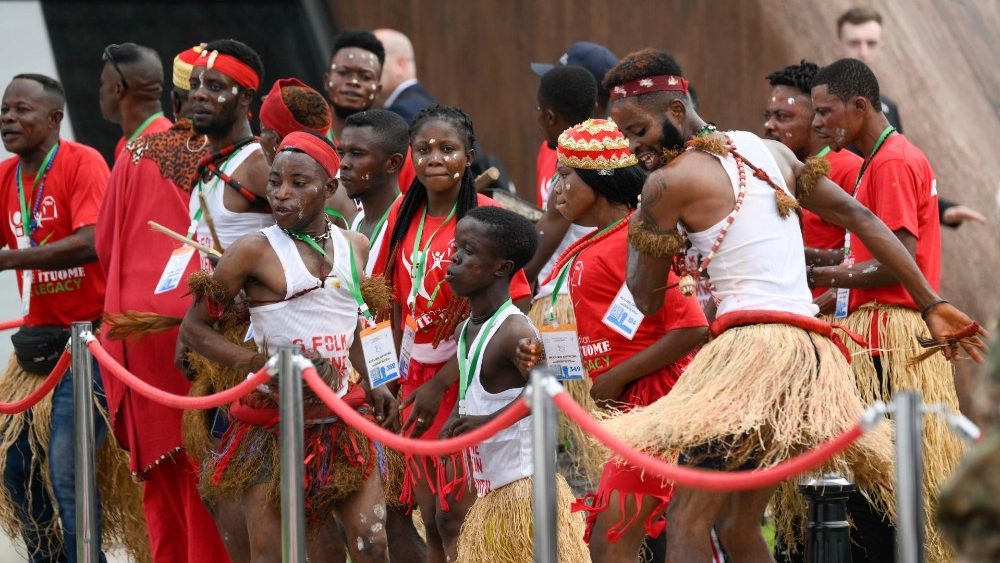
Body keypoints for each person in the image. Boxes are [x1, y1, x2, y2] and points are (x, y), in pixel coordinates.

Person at [599, 47, 985, 560]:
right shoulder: (770, 153)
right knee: (738, 523)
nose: (632, 148)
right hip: (809, 360)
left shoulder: (666, 185)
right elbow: (863, 221)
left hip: (750, 359)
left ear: (675, 112)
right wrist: (931, 301)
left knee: (688, 517)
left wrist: (644, 227)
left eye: (638, 132)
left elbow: (646, 301)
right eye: (624, 136)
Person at [179, 131, 391, 563]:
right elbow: (195, 329)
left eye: (298, 183)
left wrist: (377, 382)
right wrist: (259, 362)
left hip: (344, 415)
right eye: (275, 182)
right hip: (271, 422)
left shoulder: (355, 246)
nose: (281, 194)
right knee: (271, 555)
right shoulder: (251, 251)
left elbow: (355, 326)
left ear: (330, 188)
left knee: (373, 545)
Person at [527, 118, 710, 561]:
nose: (557, 189)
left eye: (569, 176)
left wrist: (615, 378)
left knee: (611, 543)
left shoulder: (636, 238)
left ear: (599, 179)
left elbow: (692, 327)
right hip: (631, 408)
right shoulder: (595, 243)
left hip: (659, 407)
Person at [810, 57, 967, 562]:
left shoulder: (893, 161)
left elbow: (896, 257)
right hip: (880, 335)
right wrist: (824, 267)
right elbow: (869, 254)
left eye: (825, 111)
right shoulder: (878, 160)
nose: (818, 124)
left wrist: (828, 276)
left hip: (886, 342)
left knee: (885, 490)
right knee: (881, 487)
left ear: (859, 106)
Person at [368, 105, 532, 563]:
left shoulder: (486, 218)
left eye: (448, 149)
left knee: (456, 515)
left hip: (466, 383)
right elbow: (380, 300)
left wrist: (443, 383)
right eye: (423, 149)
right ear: (409, 157)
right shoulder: (403, 213)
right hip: (411, 384)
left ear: (469, 155)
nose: (434, 158)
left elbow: (510, 309)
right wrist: (384, 377)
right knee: (430, 514)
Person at [96, 46, 234, 562]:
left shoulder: (161, 146)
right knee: (188, 479)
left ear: (117, 89)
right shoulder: (169, 146)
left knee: (181, 483)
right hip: (170, 330)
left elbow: (109, 248)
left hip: (156, 335)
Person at [0, 73, 118, 562]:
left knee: (67, 470)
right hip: (40, 344)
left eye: (21, 109)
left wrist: (11, 259)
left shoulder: (82, 162)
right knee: (16, 466)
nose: (8, 118)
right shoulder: (6, 176)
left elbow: (93, 241)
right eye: (5, 109)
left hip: (90, 341)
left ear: (54, 118)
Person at [438, 205, 590, 562]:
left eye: (469, 252)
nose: (455, 259)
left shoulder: (515, 332)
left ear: (502, 268)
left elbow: (547, 392)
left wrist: (484, 424)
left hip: (525, 494)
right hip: (492, 492)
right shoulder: (466, 330)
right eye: (456, 249)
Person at [835, 6, 985, 228]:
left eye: (871, 43)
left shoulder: (887, 109)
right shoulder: (817, 103)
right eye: (855, 43)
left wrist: (942, 210)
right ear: (839, 44)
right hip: (829, 226)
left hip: (873, 231)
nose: (863, 52)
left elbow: (898, 174)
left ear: (881, 46)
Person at [762, 60, 862, 313]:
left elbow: (867, 259)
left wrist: (812, 312)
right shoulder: (769, 172)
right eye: (768, 116)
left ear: (817, 118)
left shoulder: (851, 170)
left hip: (829, 326)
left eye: (782, 116)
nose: (769, 126)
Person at [187, 38, 272, 270]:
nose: (198, 95)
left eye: (214, 87)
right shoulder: (209, 167)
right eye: (194, 85)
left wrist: (251, 276)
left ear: (245, 97)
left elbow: (316, 232)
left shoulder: (257, 163)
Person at [258, 77, 357, 227]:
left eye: (263, 130)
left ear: (278, 141)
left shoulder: (317, 197)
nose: (259, 139)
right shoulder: (325, 178)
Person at [339, 109, 407, 273]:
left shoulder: (407, 225)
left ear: (392, 163)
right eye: (342, 153)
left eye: (356, 154)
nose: (343, 163)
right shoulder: (354, 220)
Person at [99, 42, 173, 156]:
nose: (101, 91)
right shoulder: (125, 145)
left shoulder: (163, 147)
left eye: (103, 84)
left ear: (118, 89)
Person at [374, 28, 436, 125]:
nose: (367, 68)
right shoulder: (424, 103)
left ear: (400, 65)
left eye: (375, 60)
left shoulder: (402, 113)